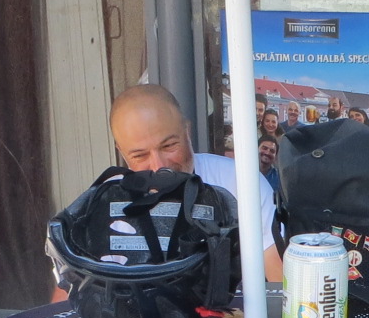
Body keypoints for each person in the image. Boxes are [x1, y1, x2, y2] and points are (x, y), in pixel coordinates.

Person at [109, 84, 282, 281]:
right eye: (140, 155)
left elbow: (278, 278)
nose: (159, 166)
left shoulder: (242, 183)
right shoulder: (105, 202)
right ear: (122, 152)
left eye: (169, 146)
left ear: (187, 131)